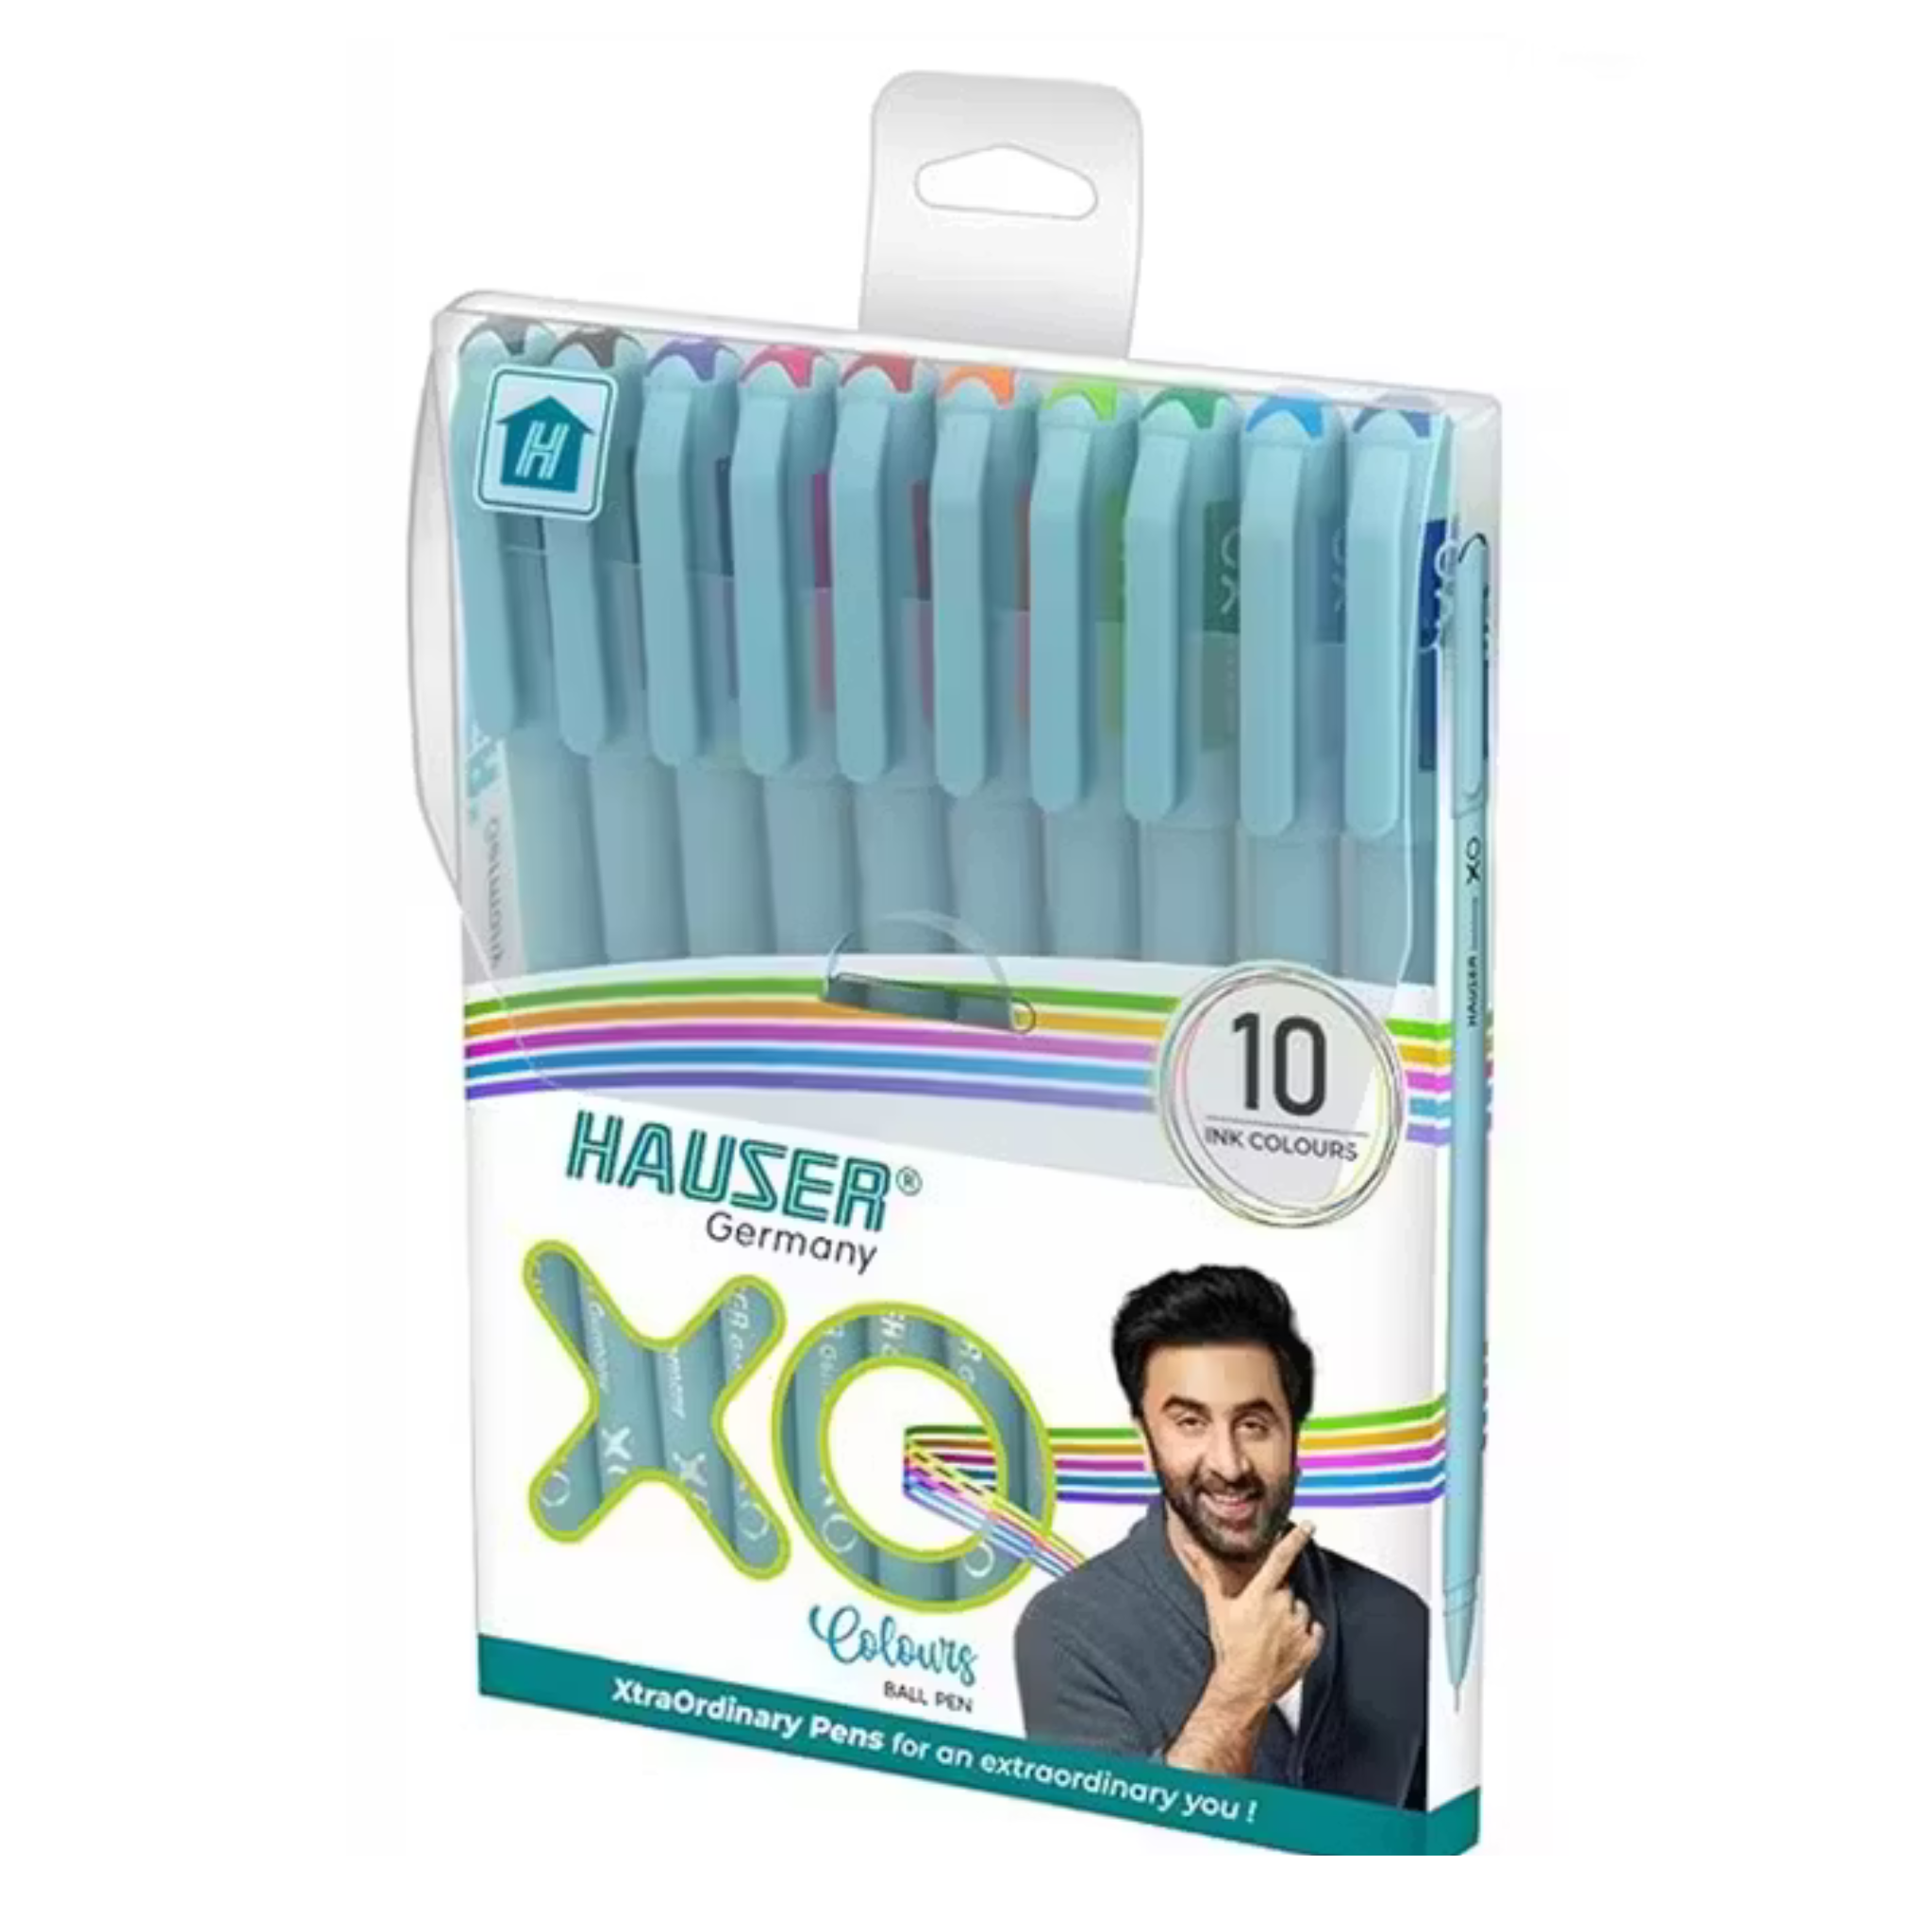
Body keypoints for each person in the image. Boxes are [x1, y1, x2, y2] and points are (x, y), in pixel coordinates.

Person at [1013, 1264, 1426, 1807]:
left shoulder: (1401, 1621)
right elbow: (1108, 1849)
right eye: (1190, 1423)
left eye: (1254, 1425)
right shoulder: (1068, 1632)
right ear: (1145, 1440)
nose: (1229, 1465)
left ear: (1295, 1436)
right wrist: (1240, 1692)